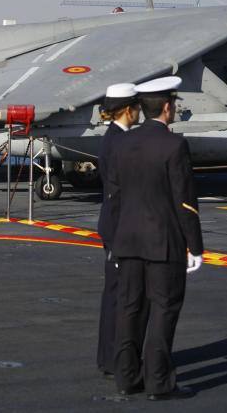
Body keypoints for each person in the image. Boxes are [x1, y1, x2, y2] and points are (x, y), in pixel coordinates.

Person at [109, 76, 204, 400]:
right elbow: (185, 201)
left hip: (127, 239)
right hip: (163, 242)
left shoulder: (122, 143)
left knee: (130, 309)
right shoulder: (174, 145)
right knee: (163, 310)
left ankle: (127, 377)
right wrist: (196, 245)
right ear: (167, 107)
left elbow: (117, 193)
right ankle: (159, 381)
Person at [96, 83, 142, 378]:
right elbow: (120, 191)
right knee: (120, 296)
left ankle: (110, 357)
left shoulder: (113, 139)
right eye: (136, 107)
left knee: (115, 294)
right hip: (120, 226)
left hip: (115, 224)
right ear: (128, 109)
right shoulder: (119, 143)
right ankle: (115, 358)